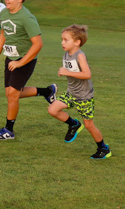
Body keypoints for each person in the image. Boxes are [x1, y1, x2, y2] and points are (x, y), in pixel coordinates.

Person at [0, 0, 56, 140]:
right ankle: (47, 91)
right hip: (10, 58)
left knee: (12, 94)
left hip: (25, 59)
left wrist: (21, 62)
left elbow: (38, 44)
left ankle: (9, 130)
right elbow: (3, 34)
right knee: (10, 94)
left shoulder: (27, 18)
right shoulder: (4, 13)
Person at [46, 25, 110, 159]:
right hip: (71, 93)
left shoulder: (80, 55)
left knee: (89, 125)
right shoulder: (66, 53)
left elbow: (87, 74)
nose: (62, 42)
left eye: (65, 40)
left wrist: (67, 72)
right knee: (52, 109)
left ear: (77, 42)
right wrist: (63, 72)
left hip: (84, 97)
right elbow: (72, 71)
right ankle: (73, 124)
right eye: (62, 39)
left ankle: (103, 148)